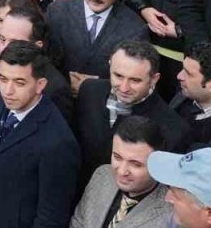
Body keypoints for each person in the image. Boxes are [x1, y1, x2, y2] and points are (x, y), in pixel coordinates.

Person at [0, 42, 81, 228]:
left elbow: (50, 216)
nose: (8, 90)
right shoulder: (1, 100)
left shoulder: (59, 142)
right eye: (3, 78)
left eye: (19, 82)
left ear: (40, 85)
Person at [75, 41, 192, 172]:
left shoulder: (173, 130)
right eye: (118, 76)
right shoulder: (89, 90)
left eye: (135, 80)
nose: (124, 88)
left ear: (154, 79)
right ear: (109, 66)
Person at [47, 0, 147, 92]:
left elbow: (137, 78)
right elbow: (43, 59)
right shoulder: (57, 12)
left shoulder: (135, 28)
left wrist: (97, 86)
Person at [70, 113, 171, 228]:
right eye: (117, 157)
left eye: (135, 164)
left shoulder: (171, 214)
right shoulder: (102, 175)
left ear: (157, 164)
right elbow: (78, 222)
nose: (122, 171)